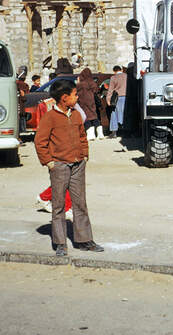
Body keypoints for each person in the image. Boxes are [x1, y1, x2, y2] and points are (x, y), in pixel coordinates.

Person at [34, 78, 103, 256]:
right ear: (64, 98)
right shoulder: (50, 117)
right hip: (59, 166)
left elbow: (82, 136)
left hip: (78, 163)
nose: (77, 97)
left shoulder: (76, 114)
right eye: (74, 95)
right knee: (58, 206)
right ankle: (60, 243)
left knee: (80, 204)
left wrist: (85, 154)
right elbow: (40, 142)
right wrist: (49, 162)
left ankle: (85, 240)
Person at [77, 67, 103, 141]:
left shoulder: (81, 84)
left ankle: (91, 135)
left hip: (83, 103)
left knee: (87, 117)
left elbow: (77, 93)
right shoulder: (92, 83)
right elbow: (96, 92)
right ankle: (100, 134)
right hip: (92, 102)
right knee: (95, 117)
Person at [106, 65, 127, 138]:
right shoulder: (126, 76)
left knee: (114, 114)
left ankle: (114, 132)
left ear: (114, 71)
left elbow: (110, 90)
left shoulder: (113, 77)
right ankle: (126, 132)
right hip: (126, 97)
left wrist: (108, 99)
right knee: (125, 114)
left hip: (116, 98)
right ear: (121, 70)